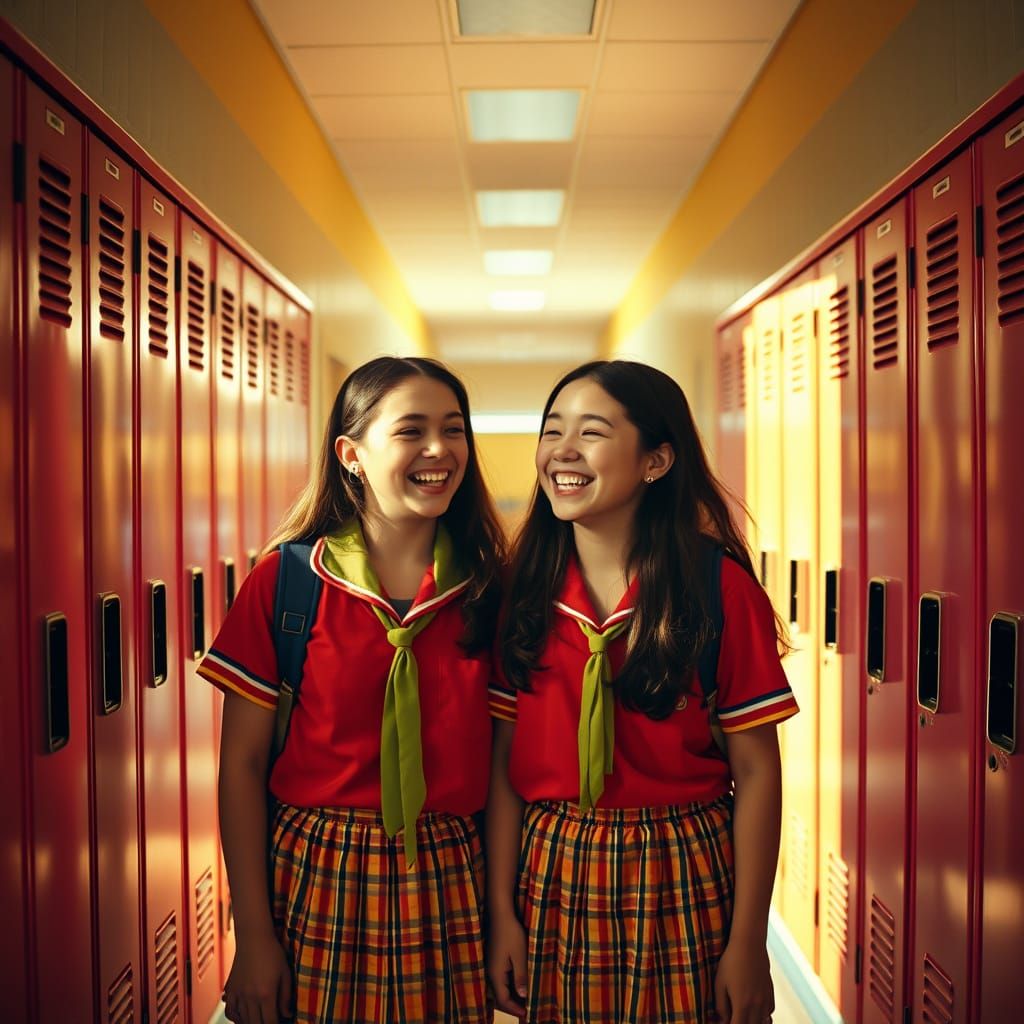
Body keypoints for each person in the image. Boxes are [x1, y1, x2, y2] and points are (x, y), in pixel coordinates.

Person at [485, 360, 797, 1024]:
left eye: (591, 432)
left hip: (681, 863)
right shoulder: (520, 592)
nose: (562, 451)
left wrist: (748, 942)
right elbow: (505, 771)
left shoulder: (717, 590)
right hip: (554, 867)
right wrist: (501, 914)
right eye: (552, 429)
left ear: (656, 461)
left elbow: (757, 770)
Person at [197, 356, 505, 1024]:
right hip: (317, 870)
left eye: (454, 431)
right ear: (351, 454)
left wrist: (506, 915)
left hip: (449, 871)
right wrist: (252, 935)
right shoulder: (287, 585)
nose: (439, 450)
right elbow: (243, 769)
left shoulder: (490, 591)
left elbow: (508, 766)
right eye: (412, 430)